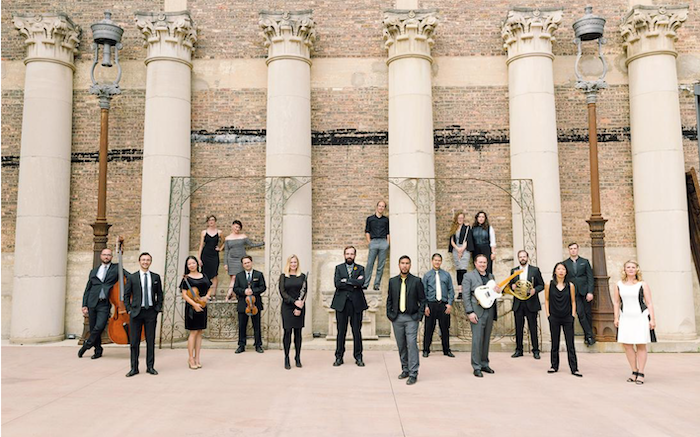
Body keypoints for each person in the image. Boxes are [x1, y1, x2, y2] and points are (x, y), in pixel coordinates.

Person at [614, 260, 656, 385]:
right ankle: (634, 370)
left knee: (641, 345)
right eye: (628, 267)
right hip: (626, 317)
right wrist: (616, 318)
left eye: (633, 267)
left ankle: (641, 372)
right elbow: (616, 302)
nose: (631, 269)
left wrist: (652, 319)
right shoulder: (619, 284)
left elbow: (649, 302)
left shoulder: (642, 284)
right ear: (624, 270)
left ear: (637, 270)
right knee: (627, 345)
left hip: (640, 317)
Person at [79, 247, 125, 359]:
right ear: (101, 256)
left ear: (111, 257)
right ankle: (98, 351)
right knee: (93, 326)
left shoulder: (116, 268)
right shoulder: (94, 271)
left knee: (99, 326)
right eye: (104, 254)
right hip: (92, 302)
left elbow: (128, 277)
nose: (106, 256)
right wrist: (84, 304)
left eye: (109, 255)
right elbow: (88, 288)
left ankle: (87, 344)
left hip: (104, 303)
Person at [387, 255, 426, 385]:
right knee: (401, 345)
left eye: (407, 263)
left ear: (410, 265)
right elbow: (389, 300)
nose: (404, 265)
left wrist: (419, 316)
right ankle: (405, 369)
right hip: (397, 318)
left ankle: (414, 372)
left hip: (411, 318)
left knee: (411, 343)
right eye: (402, 263)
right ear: (399, 265)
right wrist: (390, 314)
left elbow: (422, 300)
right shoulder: (392, 281)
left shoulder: (416, 281)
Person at [124, 252, 163, 377]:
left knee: (150, 341)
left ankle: (150, 367)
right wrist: (129, 309)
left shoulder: (156, 277)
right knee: (134, 342)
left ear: (150, 262)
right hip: (136, 312)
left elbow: (160, 295)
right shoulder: (132, 277)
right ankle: (134, 368)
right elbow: (126, 295)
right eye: (143, 260)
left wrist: (157, 308)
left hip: (151, 312)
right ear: (139, 261)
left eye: (148, 260)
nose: (145, 262)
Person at [331, 246, 368, 367]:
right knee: (341, 331)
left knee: (356, 331)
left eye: (351, 254)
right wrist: (353, 282)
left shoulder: (361, 268)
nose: (349, 256)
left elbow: (361, 283)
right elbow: (337, 284)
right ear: (344, 255)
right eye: (347, 254)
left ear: (355, 255)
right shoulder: (339, 268)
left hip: (356, 304)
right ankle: (339, 357)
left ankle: (358, 357)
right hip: (341, 304)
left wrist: (346, 281)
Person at [462, 254, 498, 377]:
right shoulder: (468, 276)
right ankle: (476, 366)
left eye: (484, 262)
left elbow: (492, 294)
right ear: (475, 263)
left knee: (486, 339)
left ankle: (484, 363)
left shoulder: (490, 276)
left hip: (489, 310)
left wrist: (497, 291)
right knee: (477, 339)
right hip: (476, 312)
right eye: (480, 262)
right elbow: (465, 296)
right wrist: (469, 312)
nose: (482, 264)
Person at [545, 262, 582, 377]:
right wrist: (548, 315)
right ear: (555, 271)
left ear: (566, 272)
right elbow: (546, 300)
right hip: (554, 317)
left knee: (570, 343)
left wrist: (572, 315)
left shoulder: (570, 285)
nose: (561, 271)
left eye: (563, 269)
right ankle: (554, 366)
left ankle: (574, 368)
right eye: (558, 269)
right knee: (554, 343)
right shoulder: (548, 284)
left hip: (567, 317)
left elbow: (573, 301)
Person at [508, 250, 545, 359]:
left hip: (531, 302)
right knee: (518, 328)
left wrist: (535, 290)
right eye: (520, 257)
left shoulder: (535, 270)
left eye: (524, 256)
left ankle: (536, 350)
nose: (522, 258)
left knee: (533, 327)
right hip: (518, 303)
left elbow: (541, 285)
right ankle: (519, 350)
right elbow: (510, 285)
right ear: (518, 258)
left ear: (527, 257)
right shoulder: (513, 271)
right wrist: (512, 287)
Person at [180, 255, 212, 370]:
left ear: (197, 264)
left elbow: (210, 287)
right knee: (193, 332)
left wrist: (207, 297)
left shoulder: (204, 276)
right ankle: (191, 358)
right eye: (189, 264)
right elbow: (184, 294)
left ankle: (197, 357)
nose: (191, 265)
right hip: (191, 309)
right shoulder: (186, 278)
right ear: (187, 266)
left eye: (193, 263)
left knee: (200, 332)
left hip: (202, 305)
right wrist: (194, 304)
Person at [230, 255, 266, 353]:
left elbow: (263, 287)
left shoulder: (259, 274)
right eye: (245, 263)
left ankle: (258, 345)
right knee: (242, 325)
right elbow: (235, 289)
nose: (247, 264)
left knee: (257, 325)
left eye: (248, 262)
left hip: (255, 304)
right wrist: (244, 291)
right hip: (243, 304)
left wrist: (253, 291)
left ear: (251, 262)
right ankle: (241, 345)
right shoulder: (239, 275)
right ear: (242, 265)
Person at [421, 253, 455, 358]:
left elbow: (451, 290)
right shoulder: (427, 275)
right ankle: (426, 350)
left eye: (439, 260)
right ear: (432, 261)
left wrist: (449, 304)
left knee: (445, 328)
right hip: (431, 304)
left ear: (441, 262)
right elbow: (424, 292)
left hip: (443, 305)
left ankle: (446, 350)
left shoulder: (446, 275)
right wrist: (425, 306)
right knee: (429, 328)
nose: (437, 262)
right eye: (435, 260)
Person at [563, 242, 596, 346]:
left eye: (575, 248)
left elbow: (590, 277)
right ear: (569, 250)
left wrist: (590, 291)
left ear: (578, 249)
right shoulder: (565, 263)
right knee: (580, 313)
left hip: (585, 291)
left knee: (588, 314)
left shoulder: (584, 262)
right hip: (573, 292)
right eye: (571, 249)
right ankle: (590, 336)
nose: (573, 250)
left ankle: (587, 336)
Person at [279, 255, 307, 370]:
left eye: (295, 262)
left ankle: (297, 357)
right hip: (287, 307)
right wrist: (294, 302)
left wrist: (299, 307)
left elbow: (305, 292)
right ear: (288, 264)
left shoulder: (303, 276)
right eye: (291, 262)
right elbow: (282, 292)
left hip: (299, 307)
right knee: (287, 332)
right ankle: (286, 357)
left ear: (298, 263)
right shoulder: (283, 276)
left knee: (298, 333)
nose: (293, 264)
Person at [224, 220, 264, 299]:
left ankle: (228, 295)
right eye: (236, 226)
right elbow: (226, 251)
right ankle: (233, 296)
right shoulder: (227, 238)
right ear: (232, 226)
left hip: (241, 260)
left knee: (236, 277)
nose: (237, 229)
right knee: (233, 278)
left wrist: (263, 243)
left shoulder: (243, 236)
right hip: (231, 260)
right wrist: (225, 263)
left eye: (239, 227)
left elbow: (251, 244)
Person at [364, 200, 390, 290]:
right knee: (370, 264)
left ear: (384, 208)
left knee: (380, 265)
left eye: (383, 206)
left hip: (383, 242)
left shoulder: (386, 220)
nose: (381, 208)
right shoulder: (370, 219)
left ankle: (376, 284)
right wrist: (369, 242)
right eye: (380, 206)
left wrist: (387, 243)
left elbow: (388, 232)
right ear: (377, 206)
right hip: (373, 242)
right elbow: (367, 231)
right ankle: (365, 284)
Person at [448, 211, 473, 298]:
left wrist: (461, 249)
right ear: (456, 219)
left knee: (463, 270)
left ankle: (465, 290)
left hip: (464, 250)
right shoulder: (453, 228)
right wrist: (457, 249)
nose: (460, 220)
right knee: (458, 270)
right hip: (456, 250)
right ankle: (460, 292)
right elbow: (452, 241)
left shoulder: (467, 228)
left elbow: (467, 240)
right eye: (459, 218)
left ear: (463, 219)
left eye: (462, 218)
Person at [198, 215, 223, 299]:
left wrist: (220, 248)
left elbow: (224, 241)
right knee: (204, 274)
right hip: (205, 254)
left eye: (213, 220)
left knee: (215, 274)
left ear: (215, 221)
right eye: (209, 220)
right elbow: (201, 245)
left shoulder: (219, 232)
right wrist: (199, 258)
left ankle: (213, 294)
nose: (211, 221)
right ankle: (205, 293)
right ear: (207, 222)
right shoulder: (204, 232)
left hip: (214, 255)